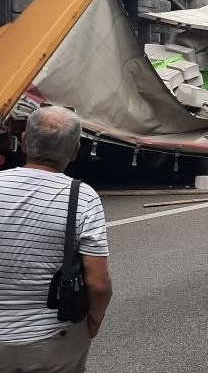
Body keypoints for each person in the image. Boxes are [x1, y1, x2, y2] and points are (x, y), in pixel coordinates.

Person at [0, 106, 112, 373]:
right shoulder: (83, 198)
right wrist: (94, 320)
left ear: (25, 140)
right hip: (53, 340)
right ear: (75, 151)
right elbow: (98, 283)